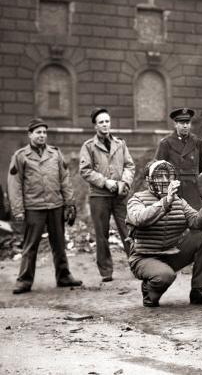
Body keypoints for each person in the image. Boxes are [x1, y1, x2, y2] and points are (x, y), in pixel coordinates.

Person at [126, 160, 202, 307]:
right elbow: (139, 219)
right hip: (144, 257)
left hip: (171, 253)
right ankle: (149, 290)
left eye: (167, 176)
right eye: (159, 176)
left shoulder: (178, 201)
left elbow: (197, 223)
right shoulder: (137, 199)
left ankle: (198, 291)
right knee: (164, 276)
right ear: (149, 180)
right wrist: (165, 201)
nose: (164, 180)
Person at [8, 118, 82, 294]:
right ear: (30, 135)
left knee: (59, 244)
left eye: (44, 132)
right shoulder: (20, 156)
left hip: (55, 205)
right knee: (30, 245)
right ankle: (24, 280)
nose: (42, 135)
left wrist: (69, 203)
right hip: (34, 207)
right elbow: (15, 184)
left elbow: (65, 179)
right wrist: (18, 210)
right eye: (38, 132)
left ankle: (63, 276)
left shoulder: (55, 154)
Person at [80, 107, 135, 282]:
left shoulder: (120, 144)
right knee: (102, 235)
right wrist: (105, 182)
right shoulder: (88, 146)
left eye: (107, 121)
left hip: (120, 195)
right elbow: (85, 170)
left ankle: (137, 265)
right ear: (95, 126)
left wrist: (124, 182)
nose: (105, 125)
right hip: (99, 197)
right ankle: (106, 272)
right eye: (101, 122)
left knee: (129, 230)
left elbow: (129, 166)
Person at [155, 108, 202, 209]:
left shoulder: (197, 142)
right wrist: (163, 194)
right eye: (181, 123)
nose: (185, 126)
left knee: (194, 220)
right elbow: (158, 171)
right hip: (174, 190)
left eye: (188, 123)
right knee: (176, 220)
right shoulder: (166, 143)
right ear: (175, 124)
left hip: (193, 190)